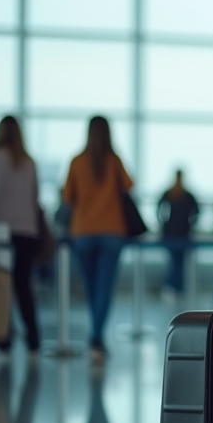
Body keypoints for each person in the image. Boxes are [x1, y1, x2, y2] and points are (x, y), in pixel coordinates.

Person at [62, 116, 134, 361]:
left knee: (91, 287)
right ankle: (97, 337)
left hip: (83, 232)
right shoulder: (114, 161)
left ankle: (95, 332)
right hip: (113, 232)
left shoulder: (77, 161)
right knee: (104, 287)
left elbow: (67, 197)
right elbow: (129, 186)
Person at [0, 116, 43, 356]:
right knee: (23, 285)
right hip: (26, 230)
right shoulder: (29, 162)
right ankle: (33, 339)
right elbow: (35, 197)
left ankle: (2, 337)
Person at [157, 170, 200, 304]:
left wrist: (164, 224)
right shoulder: (186, 195)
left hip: (172, 233)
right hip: (182, 233)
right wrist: (190, 225)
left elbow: (159, 210)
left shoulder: (170, 193)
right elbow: (196, 212)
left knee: (176, 262)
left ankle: (174, 288)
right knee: (178, 263)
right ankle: (176, 289)